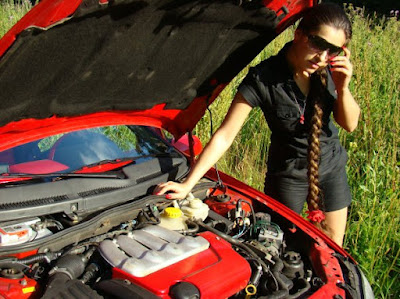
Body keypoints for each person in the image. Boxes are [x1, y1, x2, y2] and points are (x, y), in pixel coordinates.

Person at [154, 3, 360, 247]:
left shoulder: (330, 72)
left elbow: (350, 125)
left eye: (333, 51)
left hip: (331, 167)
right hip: (287, 174)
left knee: (332, 244)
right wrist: (189, 183)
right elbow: (225, 135)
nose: (323, 57)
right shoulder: (264, 78)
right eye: (319, 44)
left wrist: (343, 87)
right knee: (282, 244)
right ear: (299, 34)